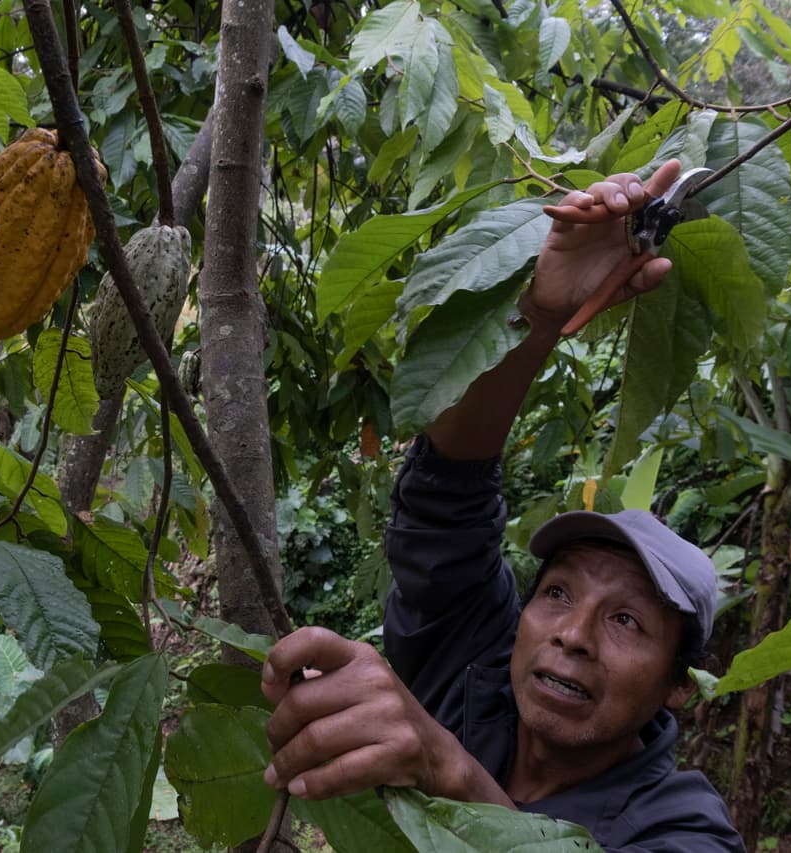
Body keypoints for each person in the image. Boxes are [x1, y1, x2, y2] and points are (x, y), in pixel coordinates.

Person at [259, 160, 745, 851]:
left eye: (628, 620)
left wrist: (444, 766)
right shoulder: (475, 670)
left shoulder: (682, 825)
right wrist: (541, 315)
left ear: (678, 687)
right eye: (556, 592)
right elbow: (445, 496)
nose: (573, 634)